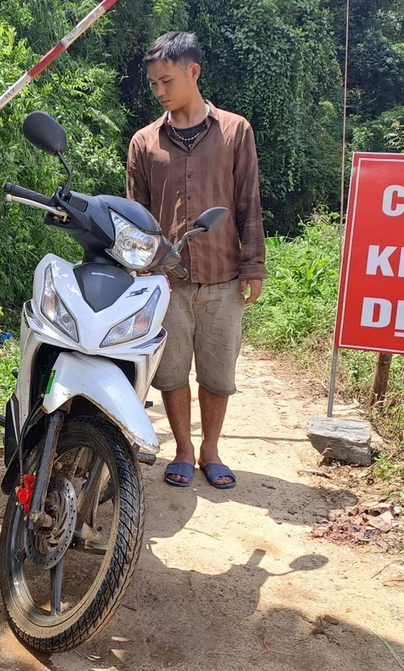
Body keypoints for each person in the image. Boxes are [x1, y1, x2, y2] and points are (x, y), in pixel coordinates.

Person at [126, 32, 266, 489]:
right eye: (153, 84)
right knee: (170, 372)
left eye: (166, 80)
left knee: (217, 372)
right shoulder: (145, 143)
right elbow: (137, 216)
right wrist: (142, 274)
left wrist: (253, 265)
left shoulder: (235, 131)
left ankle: (210, 450)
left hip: (224, 276)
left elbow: (247, 201)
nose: (160, 91)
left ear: (193, 72)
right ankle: (184, 449)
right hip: (167, 283)